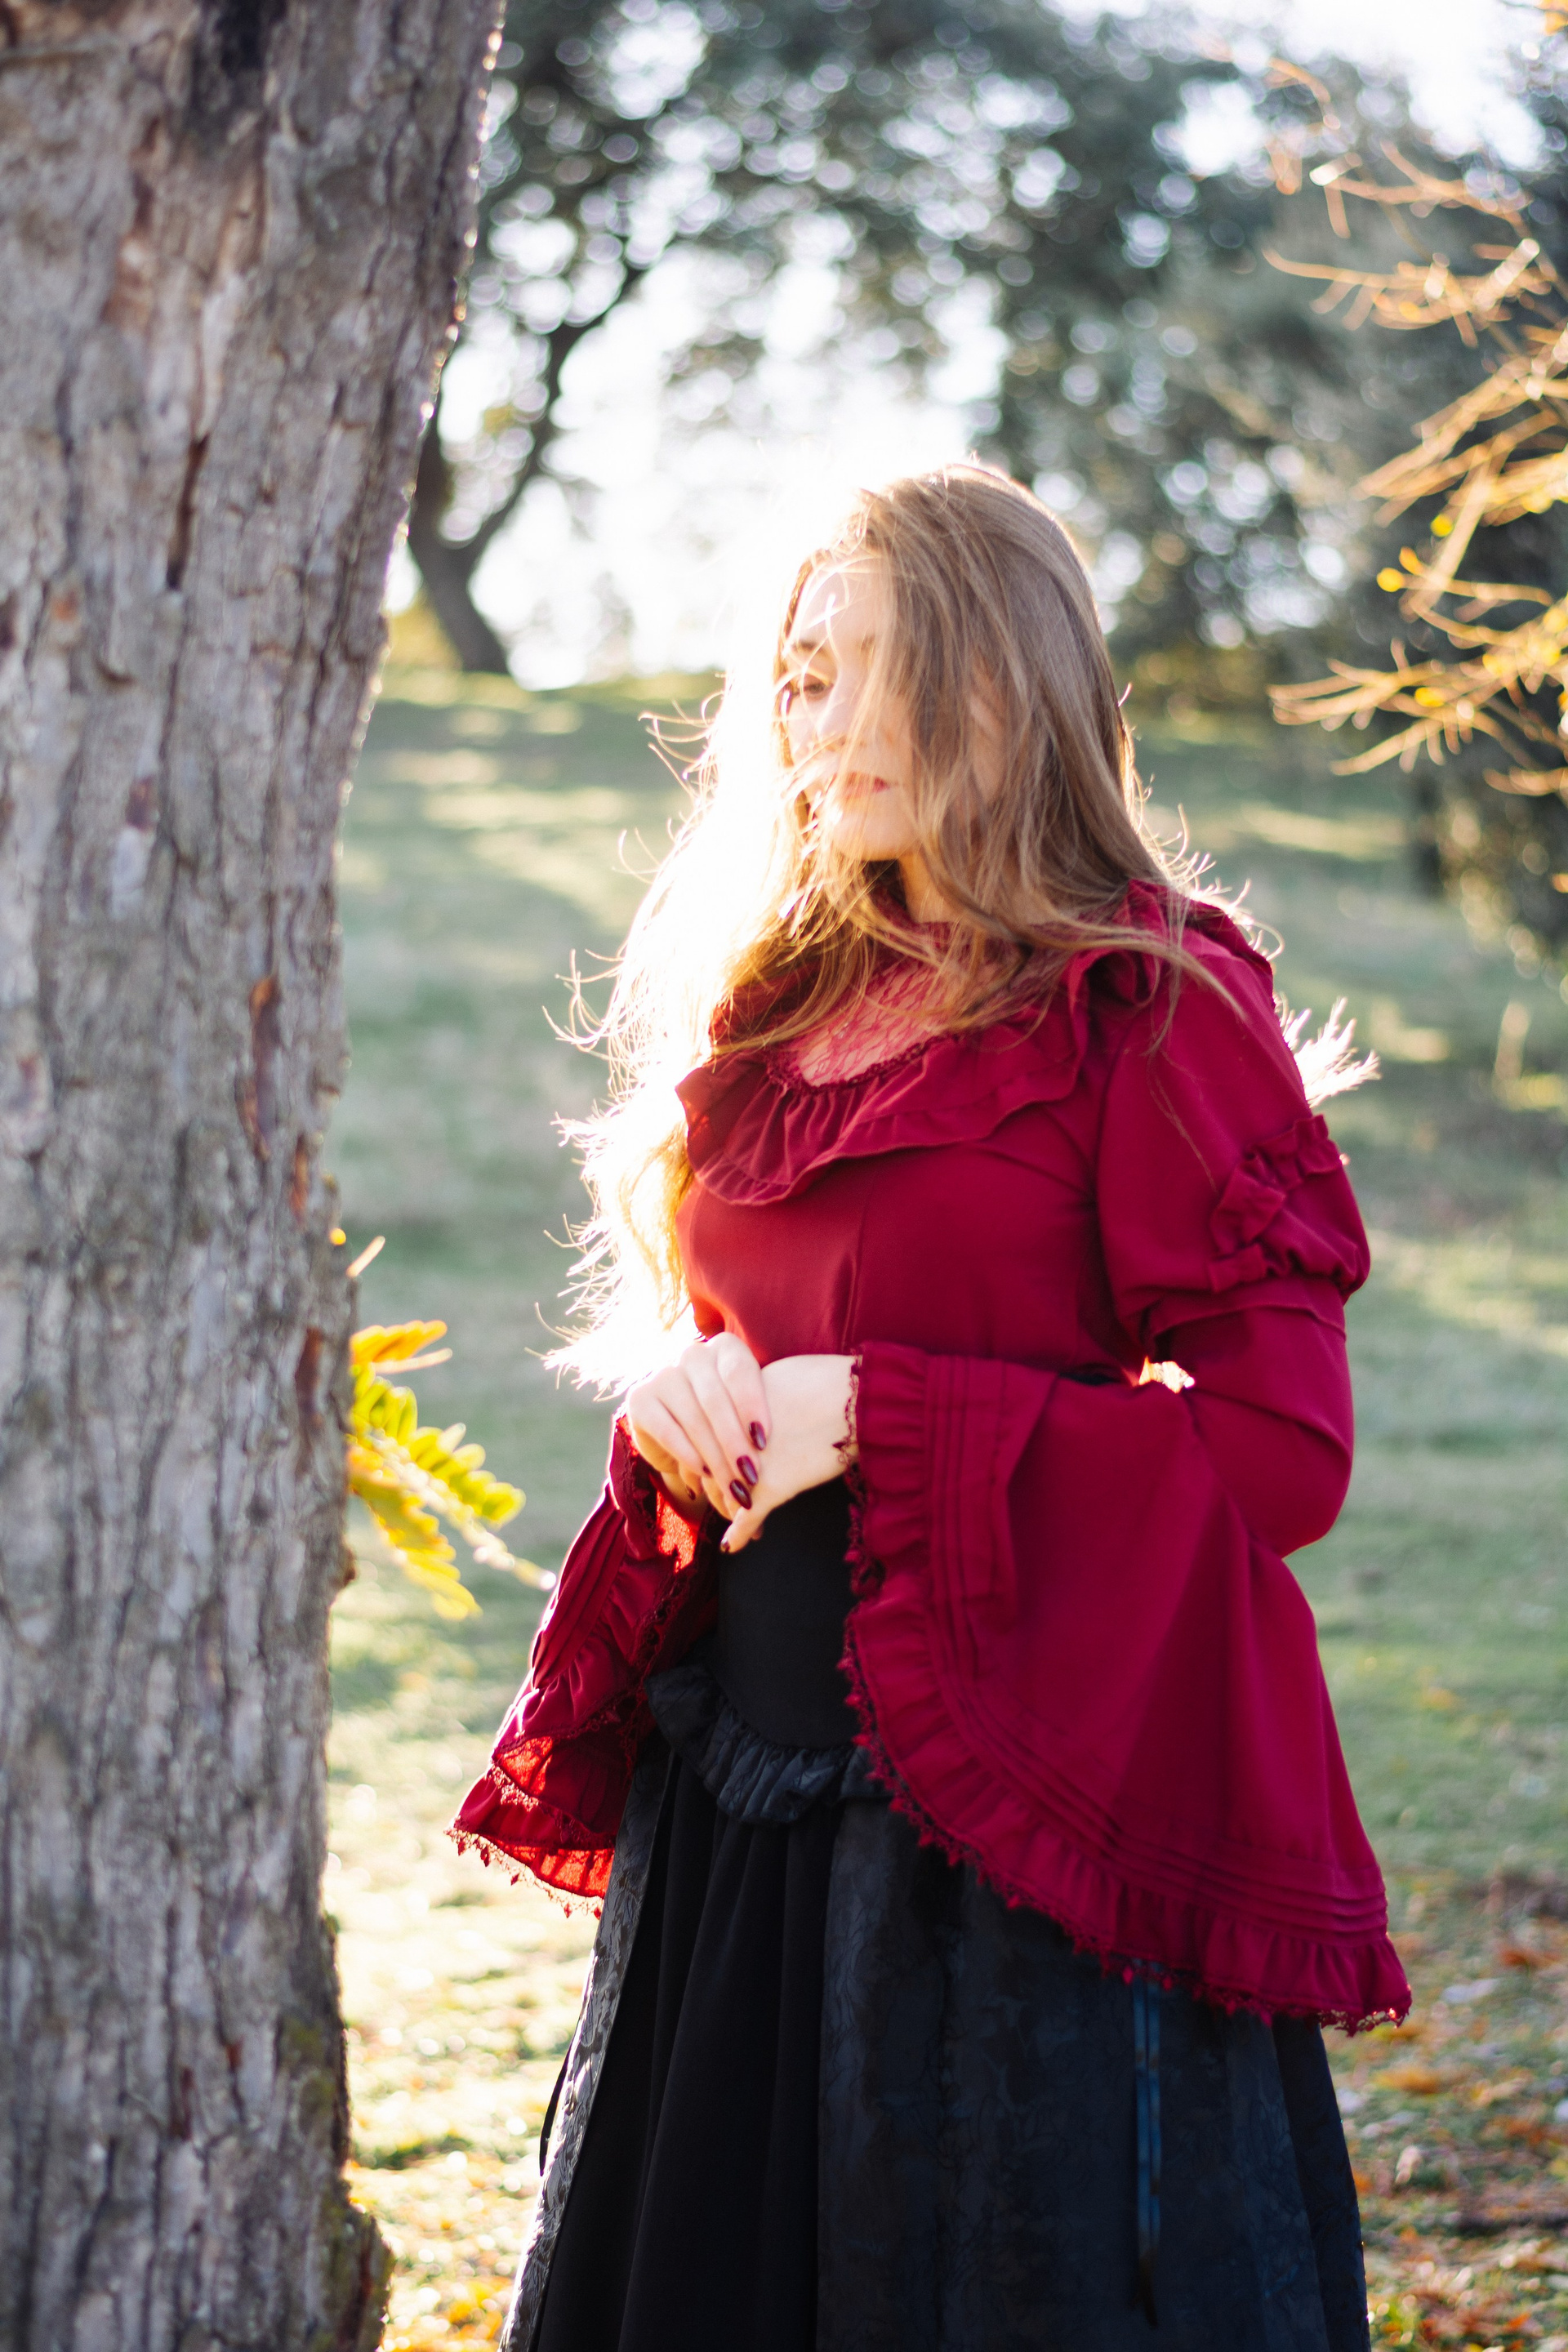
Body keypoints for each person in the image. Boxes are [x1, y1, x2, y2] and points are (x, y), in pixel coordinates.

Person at [454, 464, 1409, 2352]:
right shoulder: (781, 1006)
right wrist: (683, 1394)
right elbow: (750, 1340)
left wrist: (883, 1416)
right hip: (746, 1806)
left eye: (868, 668)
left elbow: (1283, 1459)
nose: (817, 721)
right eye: (799, 675)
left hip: (1017, 1837)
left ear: (996, 678)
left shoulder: (1149, 999)